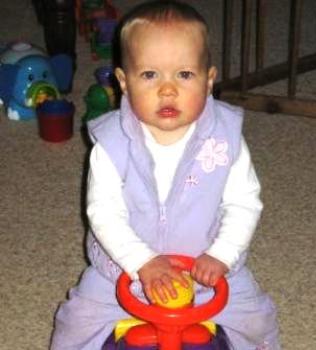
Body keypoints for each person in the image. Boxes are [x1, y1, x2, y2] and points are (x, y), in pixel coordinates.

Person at [50, 1, 280, 349]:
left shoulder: (226, 139)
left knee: (258, 321)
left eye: (184, 74)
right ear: (124, 83)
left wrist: (222, 254)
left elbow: (244, 203)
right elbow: (104, 213)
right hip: (121, 272)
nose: (167, 89)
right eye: (150, 75)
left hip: (207, 271)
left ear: (209, 80)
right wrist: (142, 262)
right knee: (75, 324)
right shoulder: (112, 145)